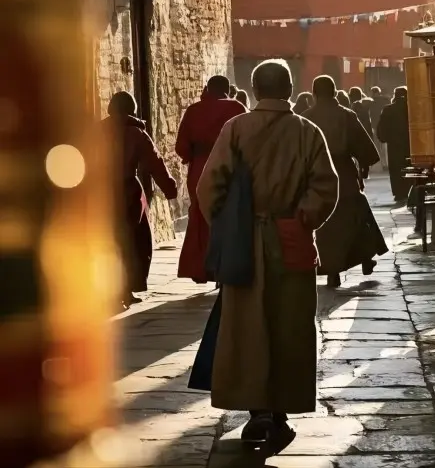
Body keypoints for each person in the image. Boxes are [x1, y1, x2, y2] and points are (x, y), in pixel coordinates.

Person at [197, 59, 338, 454]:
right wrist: (302, 218)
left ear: (256, 90)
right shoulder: (307, 132)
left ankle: (256, 407)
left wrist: (229, 225)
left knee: (246, 326)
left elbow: (210, 188)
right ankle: (280, 410)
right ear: (290, 89)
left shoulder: (236, 129)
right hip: (290, 237)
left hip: (245, 242)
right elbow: (325, 187)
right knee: (289, 326)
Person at [304, 76, 388, 288]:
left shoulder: (306, 118)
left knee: (326, 228)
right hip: (344, 175)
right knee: (358, 216)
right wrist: (364, 166)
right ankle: (366, 257)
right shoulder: (346, 115)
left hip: (316, 177)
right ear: (334, 92)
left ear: (314, 94)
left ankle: (333, 271)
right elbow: (364, 147)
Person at [103, 91, 178, 307]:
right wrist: (169, 188)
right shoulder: (136, 134)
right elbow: (155, 163)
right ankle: (125, 289)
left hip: (100, 193)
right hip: (127, 192)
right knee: (132, 241)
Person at [175, 76, 246, 283]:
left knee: (199, 215)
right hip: (229, 166)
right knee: (228, 214)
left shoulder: (194, 110)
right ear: (227, 90)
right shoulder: (236, 108)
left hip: (200, 166)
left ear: (208, 88)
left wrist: (191, 156)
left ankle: (200, 268)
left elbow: (182, 146)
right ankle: (224, 264)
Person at [377, 86, 411, 203]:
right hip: (410, 145)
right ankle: (410, 189)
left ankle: (398, 192)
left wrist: (384, 138)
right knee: (409, 166)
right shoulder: (411, 108)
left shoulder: (388, 110)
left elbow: (381, 130)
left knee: (396, 169)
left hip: (394, 146)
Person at [369, 86, 390, 170]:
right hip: (385, 124)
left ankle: (382, 163)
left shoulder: (371, 102)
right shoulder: (385, 100)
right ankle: (386, 164)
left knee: (378, 145)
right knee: (385, 145)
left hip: (375, 125)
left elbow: (370, 114)